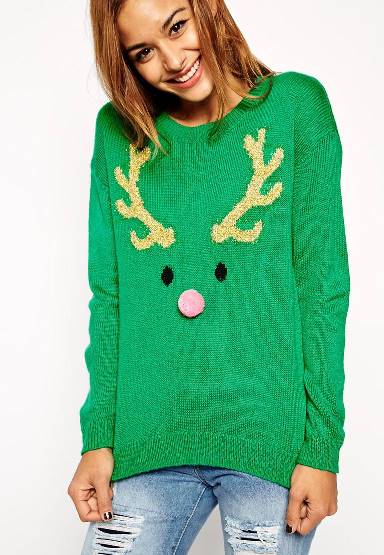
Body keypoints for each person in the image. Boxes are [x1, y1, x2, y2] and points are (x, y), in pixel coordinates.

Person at [67, 0, 351, 553]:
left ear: (207, 9)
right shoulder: (117, 134)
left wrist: (322, 450)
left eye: (178, 26)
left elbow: (322, 289)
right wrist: (97, 439)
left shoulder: (295, 107)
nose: (173, 60)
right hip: (147, 441)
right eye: (143, 52)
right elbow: (111, 296)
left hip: (267, 445)